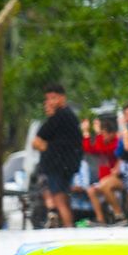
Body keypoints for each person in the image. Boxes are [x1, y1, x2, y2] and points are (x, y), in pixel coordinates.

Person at [32, 84, 83, 228]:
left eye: (53, 98)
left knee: (59, 199)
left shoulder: (59, 116)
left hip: (57, 166)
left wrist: (47, 146)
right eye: (47, 99)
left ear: (62, 98)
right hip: (67, 164)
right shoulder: (70, 116)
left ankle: (68, 229)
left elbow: (37, 141)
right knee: (64, 198)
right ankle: (66, 224)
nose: (50, 102)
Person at [93, 104, 128, 225]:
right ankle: (119, 216)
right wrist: (117, 167)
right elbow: (120, 155)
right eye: (126, 115)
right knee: (104, 185)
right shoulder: (125, 132)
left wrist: (124, 131)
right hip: (124, 171)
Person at [82, 116, 119, 224]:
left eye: (104, 134)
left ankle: (118, 214)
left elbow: (101, 149)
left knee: (104, 186)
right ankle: (100, 219)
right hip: (103, 179)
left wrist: (98, 134)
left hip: (114, 179)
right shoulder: (103, 142)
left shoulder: (116, 142)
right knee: (91, 190)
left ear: (112, 133)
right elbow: (88, 149)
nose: (102, 136)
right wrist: (86, 132)